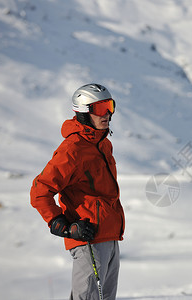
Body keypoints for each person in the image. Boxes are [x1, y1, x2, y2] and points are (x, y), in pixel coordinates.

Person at [30, 83, 125, 300]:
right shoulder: (73, 150)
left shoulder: (103, 144)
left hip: (110, 236)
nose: (108, 114)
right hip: (88, 239)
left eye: (110, 106)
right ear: (84, 112)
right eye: (101, 108)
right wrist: (62, 225)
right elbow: (40, 191)